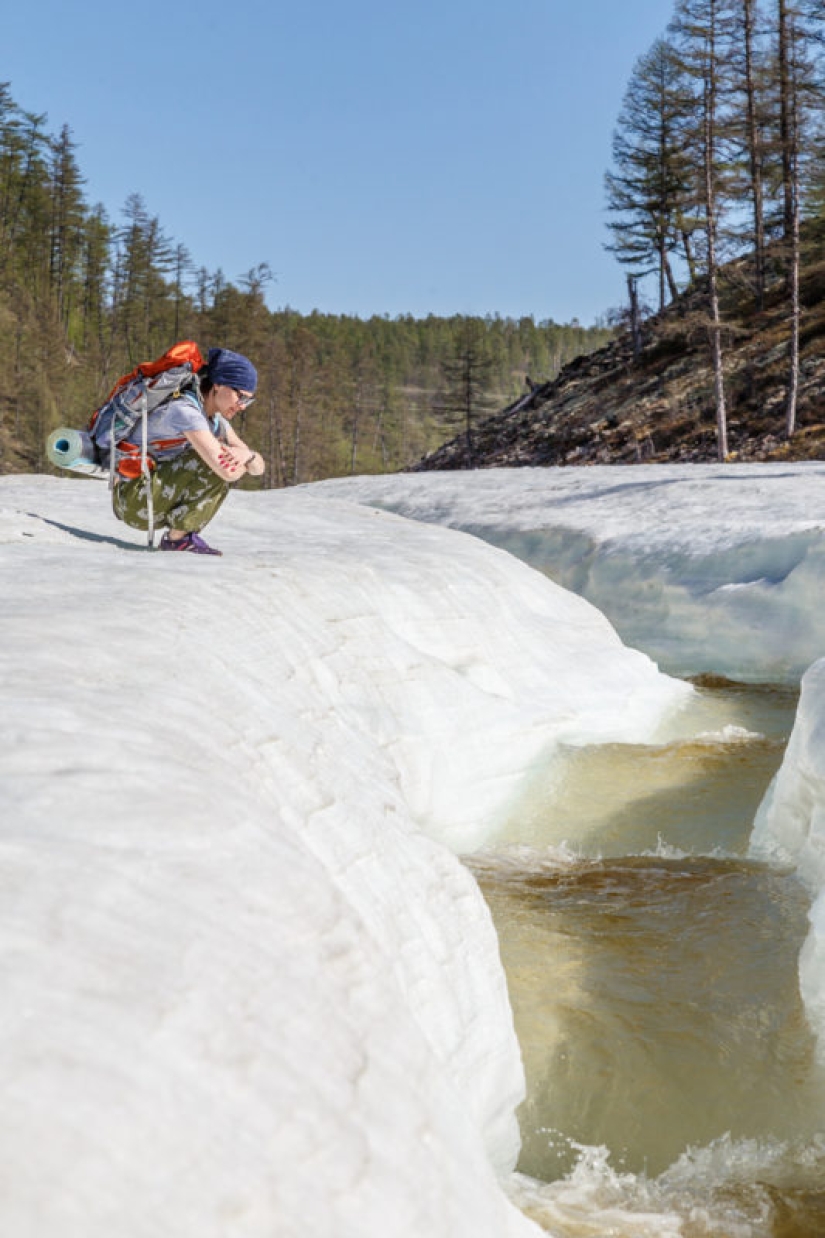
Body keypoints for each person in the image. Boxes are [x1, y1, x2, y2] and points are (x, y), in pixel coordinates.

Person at [112, 347, 265, 555]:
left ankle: (180, 537)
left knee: (217, 458)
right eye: (240, 397)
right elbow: (227, 471)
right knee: (210, 460)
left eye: (249, 400)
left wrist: (248, 456)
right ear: (218, 385)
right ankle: (177, 540)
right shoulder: (185, 411)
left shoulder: (215, 421)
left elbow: (258, 468)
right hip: (132, 500)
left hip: (150, 497)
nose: (243, 406)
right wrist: (237, 459)